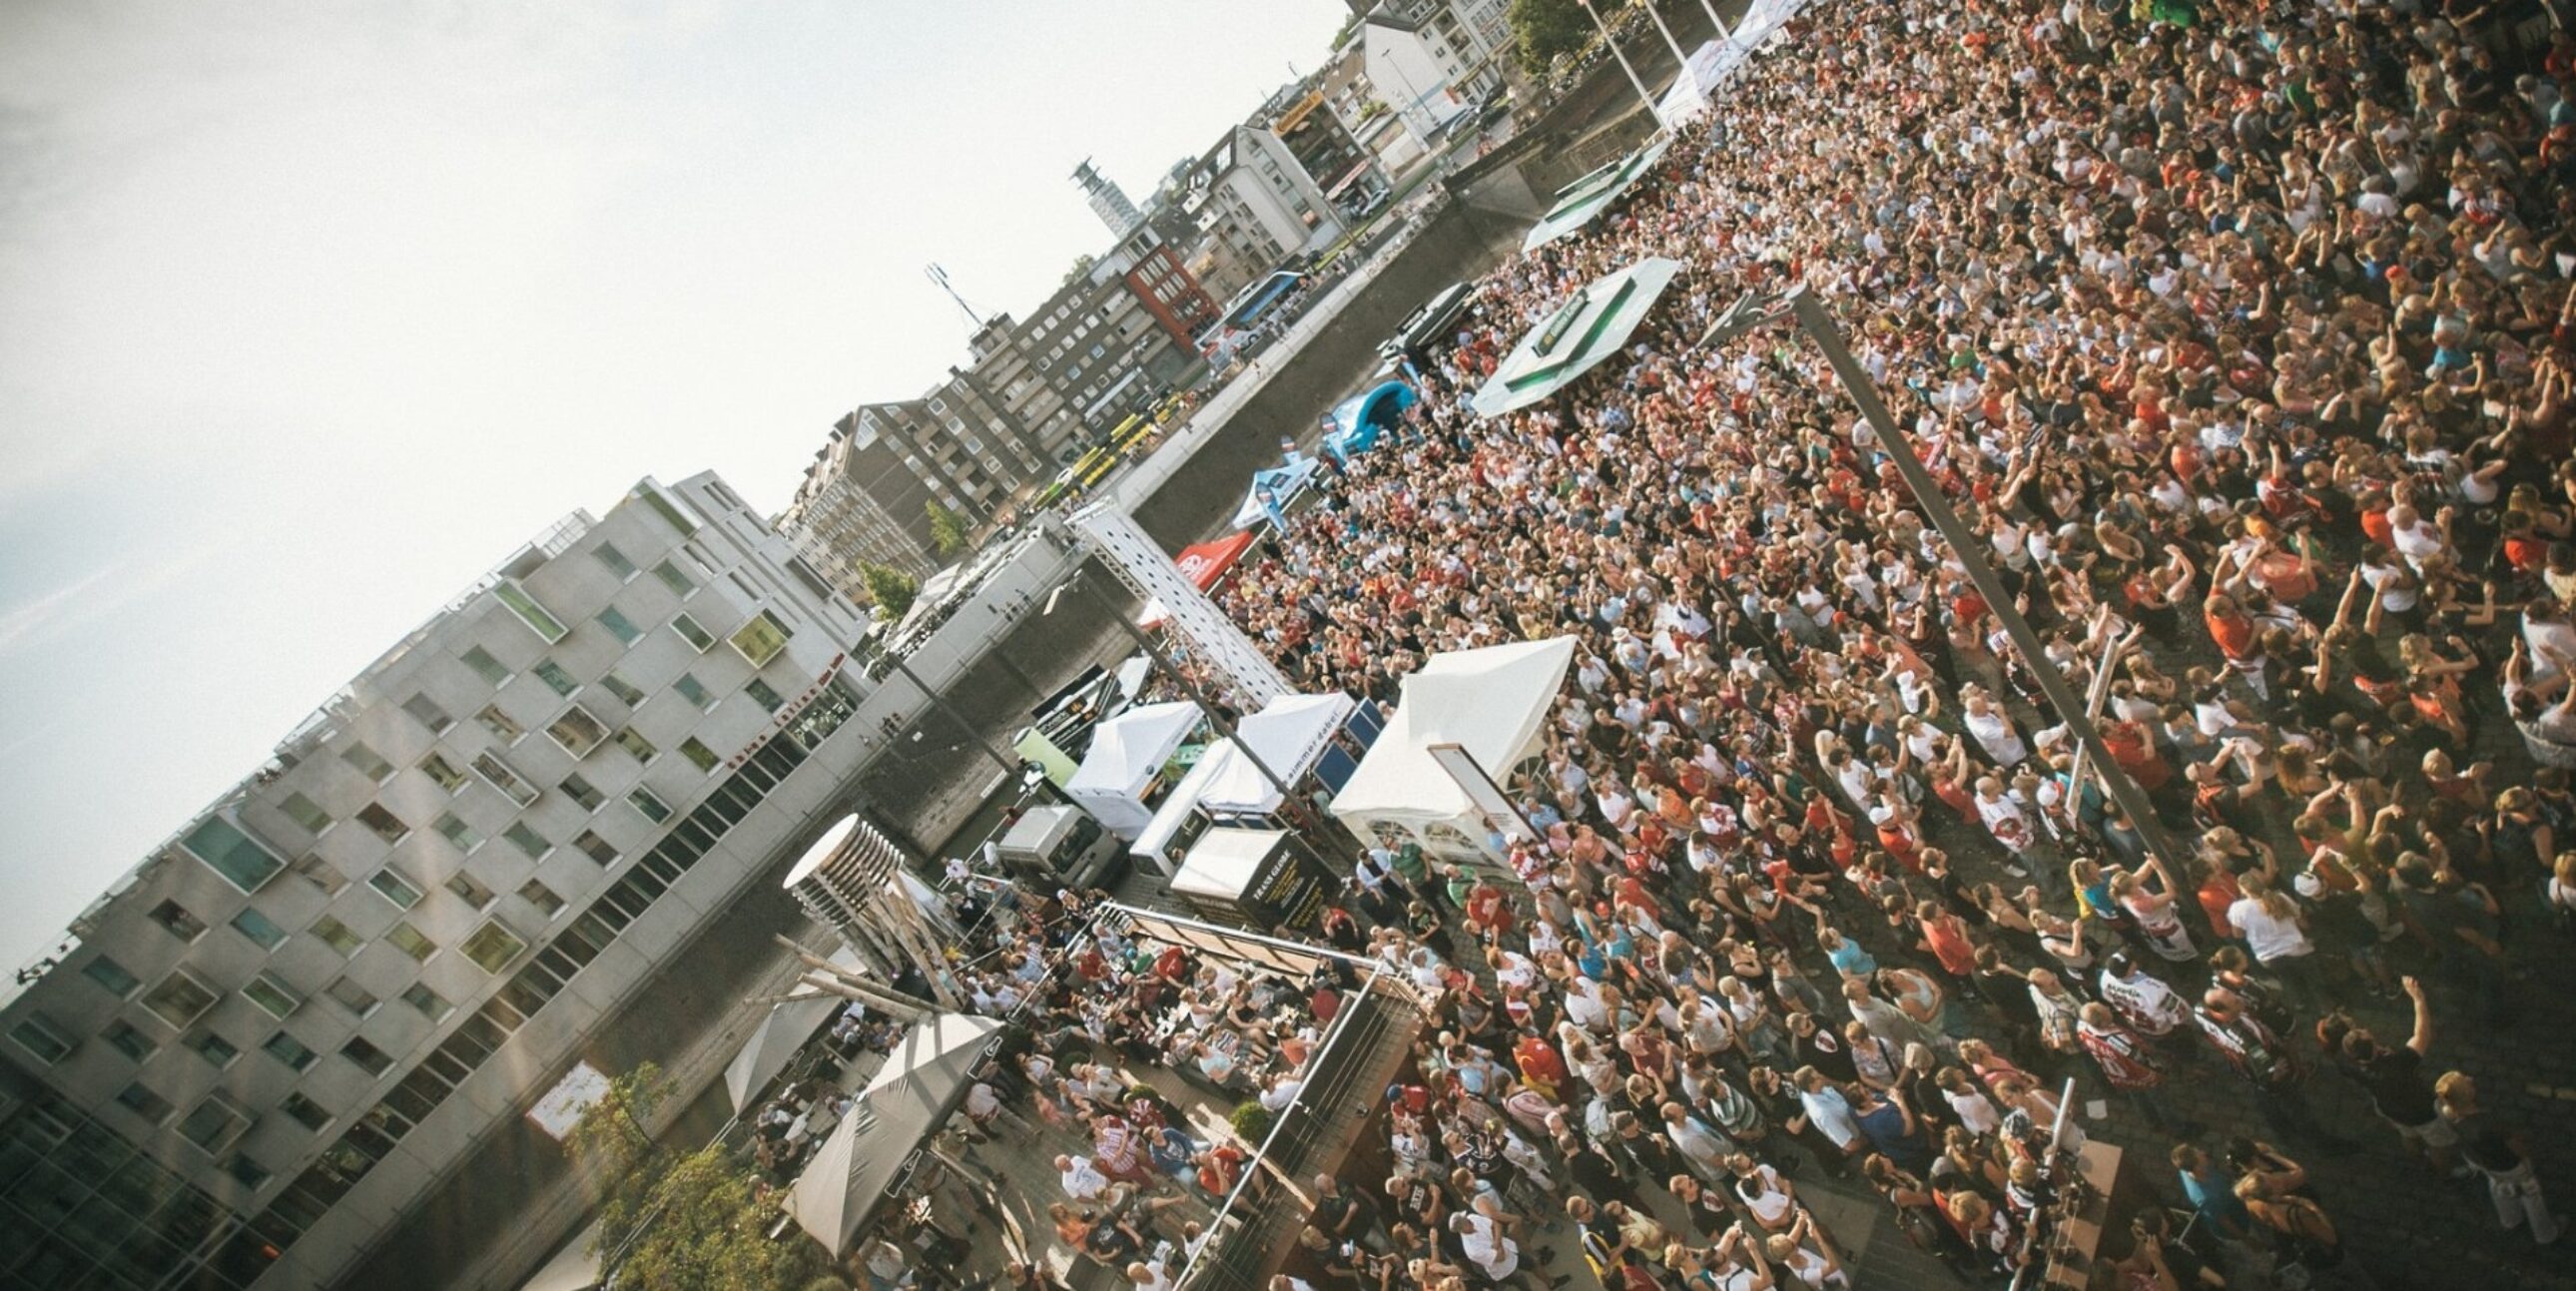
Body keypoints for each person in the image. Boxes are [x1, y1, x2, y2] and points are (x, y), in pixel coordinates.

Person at [2438, 1071, 2565, 1246]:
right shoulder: (2491, 1123)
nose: (2470, 1079)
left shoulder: (2446, 1113)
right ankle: (2546, 1234)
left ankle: (2510, 1220)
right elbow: (2517, 1147)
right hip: (2510, 1166)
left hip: (2482, 1163)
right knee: (2531, 1196)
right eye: (2465, 1081)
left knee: (2498, 1186)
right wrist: (2528, 1157)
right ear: (2469, 1094)